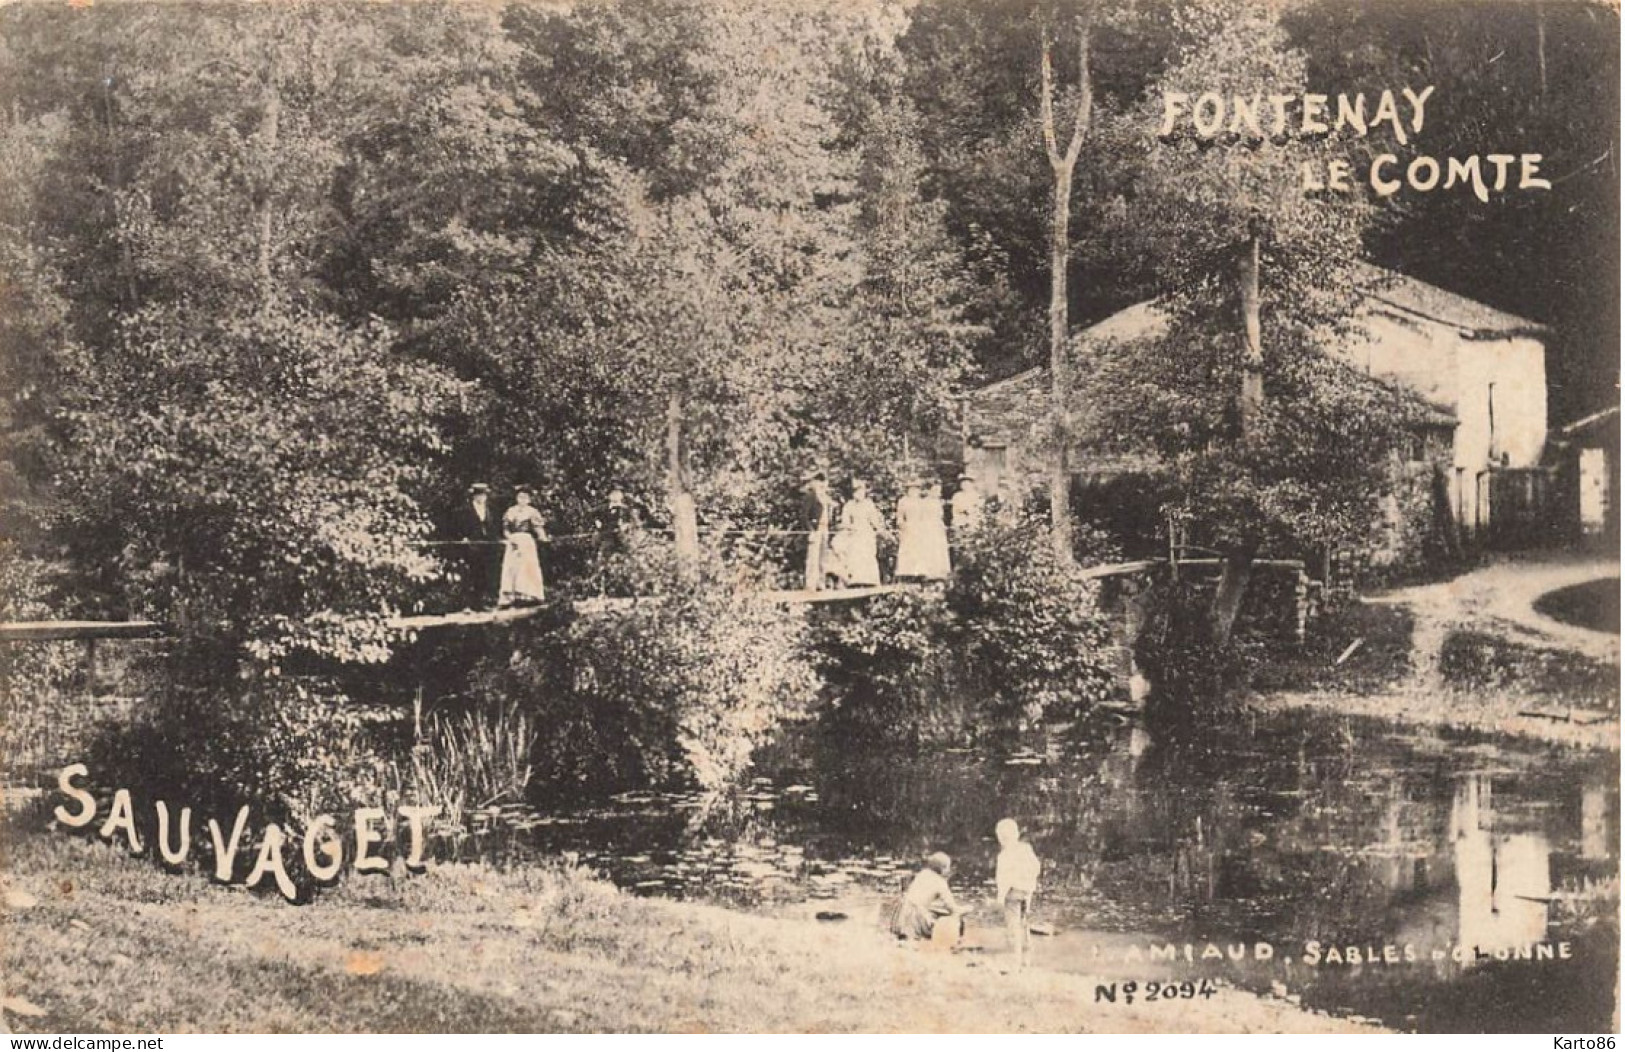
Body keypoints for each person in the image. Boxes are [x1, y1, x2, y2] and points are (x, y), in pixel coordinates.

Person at [995, 818, 1042, 970]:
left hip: (1012, 892)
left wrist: (1000, 897)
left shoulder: (1004, 855)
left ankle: (1014, 962)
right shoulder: (1026, 849)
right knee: (1024, 925)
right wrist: (1030, 888)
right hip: (1026, 890)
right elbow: (1036, 868)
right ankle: (1025, 961)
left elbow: (1004, 879)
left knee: (1013, 927)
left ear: (1001, 838)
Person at [891, 852, 967, 944]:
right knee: (956, 919)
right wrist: (967, 909)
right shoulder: (940, 882)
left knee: (903, 941)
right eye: (948, 867)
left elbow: (916, 898)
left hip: (901, 911)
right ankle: (956, 944)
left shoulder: (922, 874)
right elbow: (954, 910)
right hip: (917, 917)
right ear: (943, 869)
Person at [453, 482, 503, 609]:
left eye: (483, 495)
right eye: (478, 495)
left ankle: (482, 602)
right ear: (473, 497)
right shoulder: (465, 510)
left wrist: (497, 539)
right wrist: (463, 537)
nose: (481, 498)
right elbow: (459, 526)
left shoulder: (490, 509)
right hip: (472, 545)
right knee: (472, 573)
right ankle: (470, 604)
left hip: (488, 545)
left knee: (486, 573)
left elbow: (495, 526)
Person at [830, 479, 888, 587]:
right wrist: (850, 527)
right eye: (856, 492)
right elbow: (845, 521)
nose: (859, 494)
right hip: (855, 533)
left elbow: (874, 521)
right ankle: (856, 580)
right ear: (853, 493)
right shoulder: (849, 505)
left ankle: (871, 580)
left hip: (866, 533)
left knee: (868, 555)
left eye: (861, 492)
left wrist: (881, 531)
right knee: (855, 555)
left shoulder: (869, 504)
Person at [498, 487, 548, 607]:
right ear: (516, 498)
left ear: (529, 499)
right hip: (513, 541)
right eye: (520, 497)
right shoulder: (510, 511)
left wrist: (543, 537)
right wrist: (510, 538)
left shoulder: (532, 512)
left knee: (527, 567)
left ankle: (529, 595)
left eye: (525, 497)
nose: (522, 500)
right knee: (512, 567)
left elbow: (538, 528)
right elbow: (505, 529)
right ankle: (510, 596)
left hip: (526, 542)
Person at [799, 469, 833, 592]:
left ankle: (821, 583)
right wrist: (811, 530)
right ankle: (811, 584)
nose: (822, 484)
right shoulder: (811, 496)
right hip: (816, 529)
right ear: (814, 482)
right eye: (819, 482)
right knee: (813, 557)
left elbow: (828, 514)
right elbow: (804, 516)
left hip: (825, 529)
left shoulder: (826, 498)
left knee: (823, 557)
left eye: (824, 482)